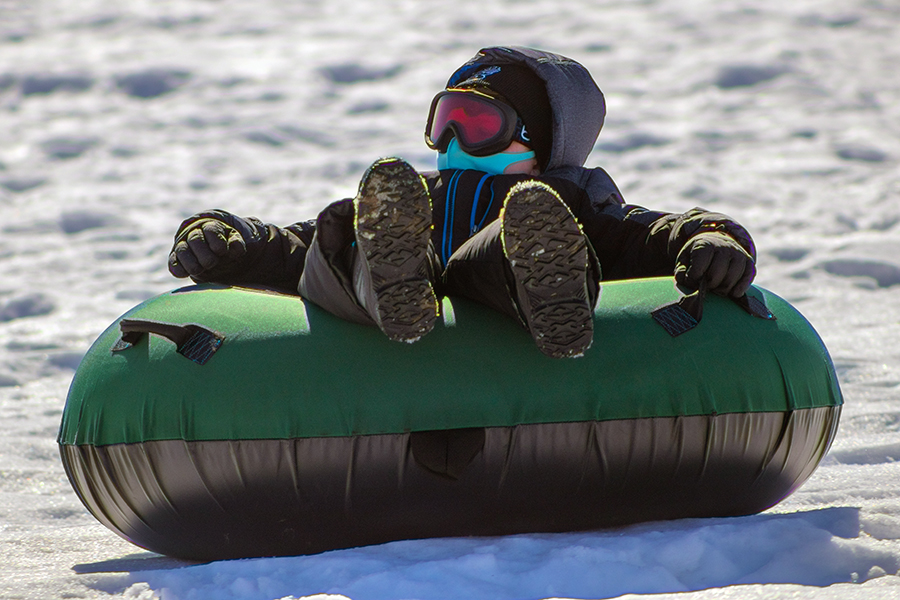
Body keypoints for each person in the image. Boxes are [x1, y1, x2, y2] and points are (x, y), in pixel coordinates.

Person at [169, 46, 756, 358]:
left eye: (478, 122)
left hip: (503, 282)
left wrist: (712, 240)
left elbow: (650, 233)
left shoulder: (574, 203)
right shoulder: (409, 198)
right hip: (382, 294)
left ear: (543, 143)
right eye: (445, 120)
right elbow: (289, 247)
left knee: (513, 243)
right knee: (347, 233)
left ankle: (542, 279)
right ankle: (387, 274)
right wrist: (227, 238)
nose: (452, 142)